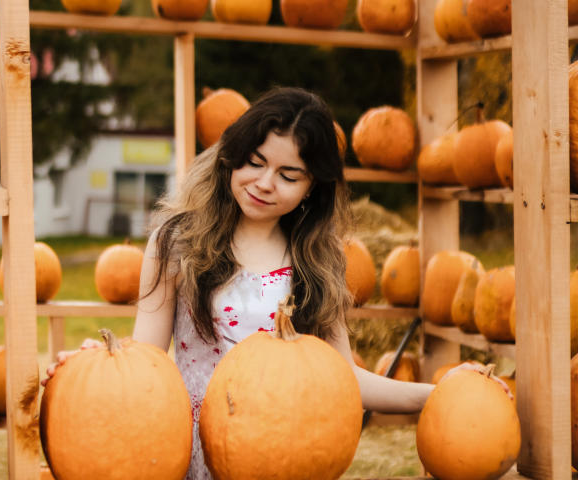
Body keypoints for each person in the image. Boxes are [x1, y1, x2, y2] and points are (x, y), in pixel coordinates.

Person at [45, 87, 468, 479]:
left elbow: (344, 377)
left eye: (288, 175)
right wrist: (99, 368)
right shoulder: (177, 241)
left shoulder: (319, 262)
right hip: (196, 452)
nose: (264, 183)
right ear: (233, 155)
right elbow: (147, 360)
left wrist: (435, 393)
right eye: (255, 161)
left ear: (310, 189)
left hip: (284, 452)